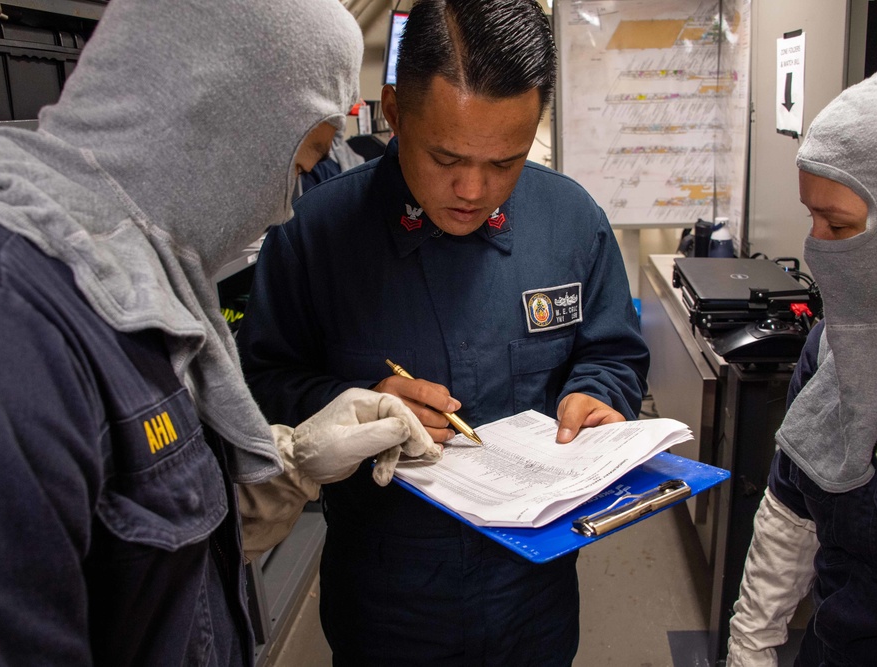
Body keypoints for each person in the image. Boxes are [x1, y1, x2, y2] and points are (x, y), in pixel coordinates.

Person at [0, 0, 442, 664]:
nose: (285, 207)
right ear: (219, 117)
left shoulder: (117, 291)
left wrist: (294, 459)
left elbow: (153, 551)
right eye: (299, 166)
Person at [234, 0, 650, 663]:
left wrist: (597, 395)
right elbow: (263, 386)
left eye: (505, 162)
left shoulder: (570, 222)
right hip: (386, 603)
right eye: (446, 156)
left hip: (532, 599)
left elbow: (613, 352)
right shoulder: (311, 236)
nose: (473, 188)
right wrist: (352, 402)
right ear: (394, 111)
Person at [726, 51, 877, 666]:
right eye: (811, 217)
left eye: (840, 225)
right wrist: (752, 644)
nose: (816, 247)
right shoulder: (835, 341)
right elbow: (790, 506)